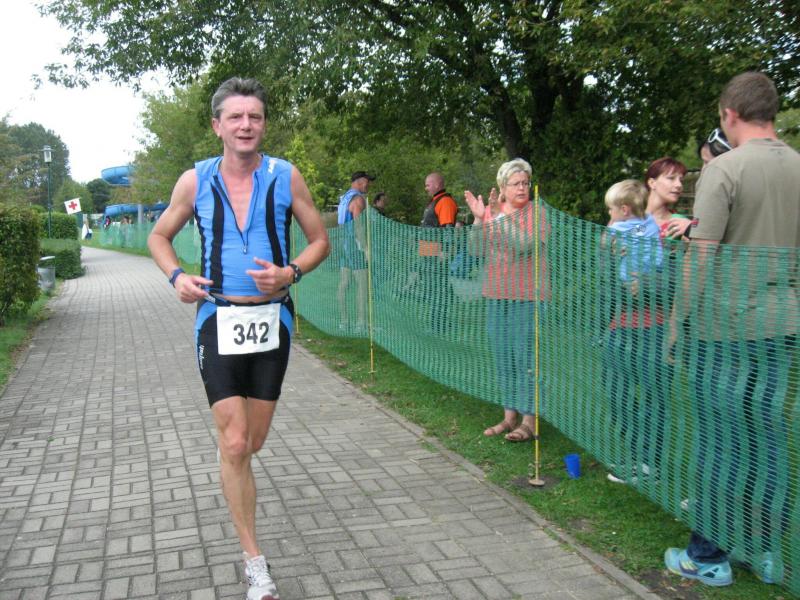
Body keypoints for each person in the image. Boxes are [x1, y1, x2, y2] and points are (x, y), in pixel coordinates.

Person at [147, 77, 329, 600]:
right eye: (235, 117)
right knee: (233, 442)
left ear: (263, 124)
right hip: (217, 317)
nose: (246, 125)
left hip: (273, 320)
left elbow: (320, 240)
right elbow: (159, 236)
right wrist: (176, 277)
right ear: (217, 125)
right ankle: (255, 563)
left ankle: (234, 467)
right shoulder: (195, 180)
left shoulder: (285, 176)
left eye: (254, 116)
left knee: (252, 442)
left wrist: (291, 272)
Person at [664, 71, 800, 588]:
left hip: (724, 329)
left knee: (720, 440)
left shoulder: (724, 169)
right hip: (781, 324)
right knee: (768, 436)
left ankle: (708, 555)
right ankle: (765, 552)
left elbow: (701, 256)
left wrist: (677, 323)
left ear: (729, 114)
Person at [465, 158, 548, 442]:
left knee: (526, 359)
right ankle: (509, 417)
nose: (522, 188)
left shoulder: (537, 212)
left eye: (526, 182)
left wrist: (499, 217)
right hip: (497, 296)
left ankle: (529, 421)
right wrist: (479, 219)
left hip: (527, 297)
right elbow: (476, 250)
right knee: (504, 358)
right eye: (516, 184)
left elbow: (525, 245)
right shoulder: (493, 212)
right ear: (502, 187)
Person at [599, 180, 666, 485]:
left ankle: (649, 463)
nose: (609, 215)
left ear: (624, 209)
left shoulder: (663, 229)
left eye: (612, 209)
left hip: (654, 326)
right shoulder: (640, 226)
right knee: (616, 391)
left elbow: (671, 277)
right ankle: (637, 453)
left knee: (652, 396)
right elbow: (604, 264)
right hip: (622, 323)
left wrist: (647, 283)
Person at [337, 171, 373, 333]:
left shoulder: (344, 198)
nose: (368, 185)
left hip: (343, 245)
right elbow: (358, 226)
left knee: (344, 284)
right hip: (354, 246)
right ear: (360, 181)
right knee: (362, 284)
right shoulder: (358, 199)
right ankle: (361, 324)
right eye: (367, 182)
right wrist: (365, 248)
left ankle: (344, 322)